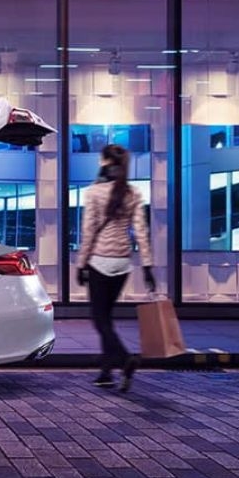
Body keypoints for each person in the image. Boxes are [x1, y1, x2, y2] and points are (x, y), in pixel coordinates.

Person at [76, 144, 154, 392]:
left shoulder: (94, 192)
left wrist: (81, 263)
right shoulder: (132, 193)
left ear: (105, 161)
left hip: (100, 260)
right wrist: (148, 266)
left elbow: (89, 231)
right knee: (107, 318)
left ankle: (124, 358)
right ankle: (106, 372)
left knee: (99, 319)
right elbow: (141, 232)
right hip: (123, 264)